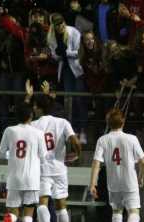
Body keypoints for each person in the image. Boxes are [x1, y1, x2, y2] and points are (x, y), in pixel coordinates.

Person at [25, 82, 82, 222]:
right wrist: (77, 154)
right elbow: (75, 141)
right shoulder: (63, 122)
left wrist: (27, 98)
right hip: (59, 168)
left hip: (42, 169)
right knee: (61, 205)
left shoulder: (33, 125)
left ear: (38, 108)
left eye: (36, 106)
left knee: (42, 204)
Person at [89, 108, 144, 222]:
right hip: (130, 181)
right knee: (134, 211)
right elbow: (143, 162)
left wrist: (93, 184)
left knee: (116, 211)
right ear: (123, 122)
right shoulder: (132, 139)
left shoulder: (102, 140)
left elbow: (96, 163)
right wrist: (141, 177)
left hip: (113, 183)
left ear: (108, 123)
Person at [0, 103, 47, 222]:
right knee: (29, 212)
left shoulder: (9, 130)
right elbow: (43, 155)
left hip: (14, 179)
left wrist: (12, 154)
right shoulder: (38, 133)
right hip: (32, 179)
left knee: (13, 210)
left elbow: (1, 154)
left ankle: (10, 218)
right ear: (31, 116)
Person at [47, 13, 88, 143]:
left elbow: (79, 52)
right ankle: (73, 131)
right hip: (65, 70)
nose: (61, 27)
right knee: (69, 100)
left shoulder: (74, 32)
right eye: (58, 26)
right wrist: (57, 55)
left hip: (76, 70)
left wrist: (65, 52)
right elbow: (54, 55)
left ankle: (83, 131)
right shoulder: (52, 36)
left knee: (79, 99)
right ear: (54, 26)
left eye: (62, 24)